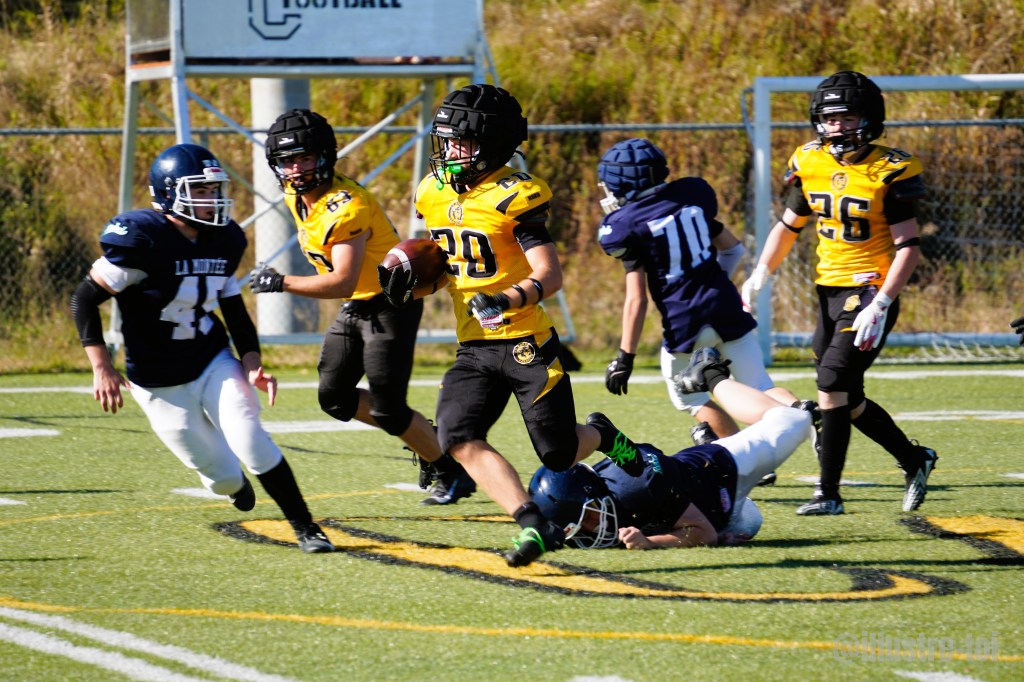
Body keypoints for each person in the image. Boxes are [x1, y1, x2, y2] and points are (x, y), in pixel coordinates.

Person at [377, 83, 644, 567]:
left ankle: (604, 435)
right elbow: (454, 269)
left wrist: (506, 298)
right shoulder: (433, 192)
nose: (448, 152)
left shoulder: (513, 195)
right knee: (456, 438)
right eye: (446, 141)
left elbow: (549, 274)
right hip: (474, 346)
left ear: (491, 145)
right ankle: (532, 522)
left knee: (559, 453)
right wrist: (412, 284)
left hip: (527, 343)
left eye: (459, 142)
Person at [69, 143, 333, 553]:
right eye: (201, 191)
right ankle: (234, 485)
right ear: (169, 192)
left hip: (211, 360)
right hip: (156, 380)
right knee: (222, 478)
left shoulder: (224, 239)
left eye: (213, 190)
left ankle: (306, 527)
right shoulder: (144, 239)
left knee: (250, 438)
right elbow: (84, 299)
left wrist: (252, 364)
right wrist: (101, 366)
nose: (212, 200)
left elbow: (235, 312)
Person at [249, 108, 474, 506]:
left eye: (304, 157)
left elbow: (343, 280)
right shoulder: (297, 195)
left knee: (389, 411)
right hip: (359, 305)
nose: (296, 169)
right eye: (287, 160)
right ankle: (424, 436)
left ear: (325, 156)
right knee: (334, 398)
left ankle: (451, 472)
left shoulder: (346, 207)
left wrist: (281, 282)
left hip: (390, 305)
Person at [740, 71, 938, 516]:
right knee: (847, 400)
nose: (837, 127)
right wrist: (760, 273)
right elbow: (789, 225)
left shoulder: (890, 169)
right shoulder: (809, 160)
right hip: (827, 288)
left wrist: (882, 302)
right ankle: (914, 459)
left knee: (830, 384)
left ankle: (827, 494)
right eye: (830, 119)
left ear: (869, 119)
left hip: (870, 290)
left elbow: (909, 247)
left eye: (847, 118)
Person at [596, 137, 815, 459]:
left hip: (685, 321)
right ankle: (803, 410)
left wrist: (624, 357)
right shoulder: (691, 198)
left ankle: (743, 455)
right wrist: (713, 284)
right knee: (760, 386)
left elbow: (636, 301)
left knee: (690, 396)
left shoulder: (626, 226)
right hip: (726, 305)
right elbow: (734, 249)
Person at [530, 347, 810, 549]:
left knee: (795, 420)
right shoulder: (580, 524)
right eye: (581, 526)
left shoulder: (639, 483)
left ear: (594, 491)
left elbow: (703, 533)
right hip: (711, 506)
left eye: (590, 515)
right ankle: (711, 438)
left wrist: (650, 542)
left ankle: (711, 374)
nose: (593, 527)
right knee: (749, 523)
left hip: (721, 470)